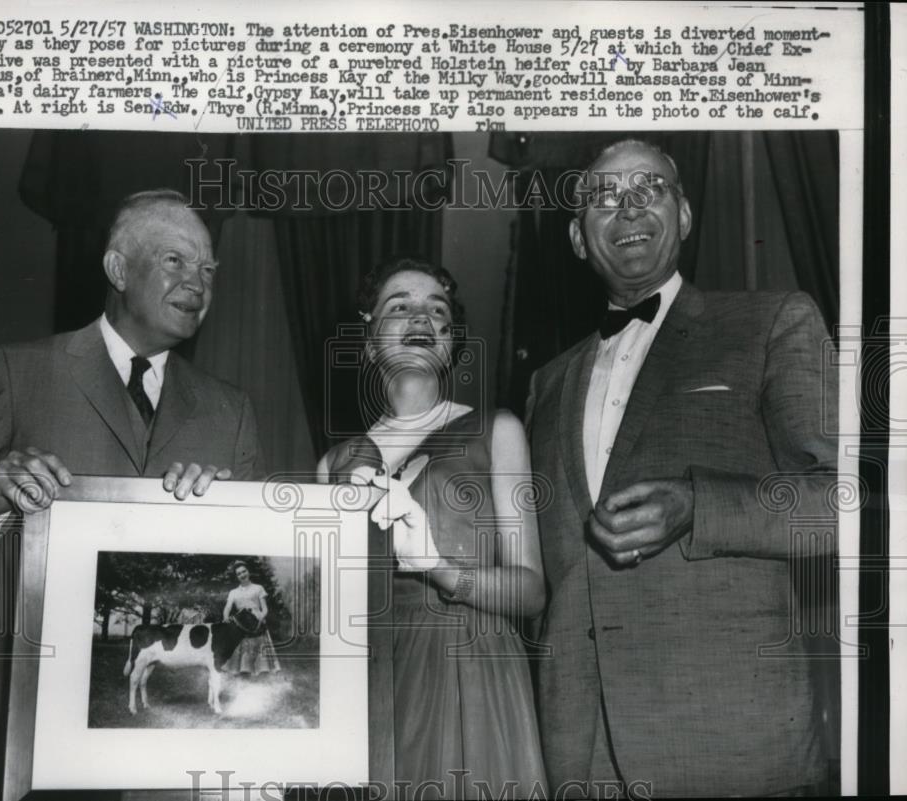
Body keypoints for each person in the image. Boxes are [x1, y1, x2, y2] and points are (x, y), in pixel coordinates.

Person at [525, 139, 837, 797]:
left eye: (651, 188)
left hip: (732, 741)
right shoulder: (543, 386)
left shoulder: (772, 321)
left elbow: (844, 506)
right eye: (604, 196)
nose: (629, 205)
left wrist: (698, 504)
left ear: (685, 215)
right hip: (582, 752)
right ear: (579, 238)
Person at [0, 188, 264, 800]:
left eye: (209, 269)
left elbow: (242, 564)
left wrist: (232, 520)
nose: (198, 282)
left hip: (176, 762)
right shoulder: (19, 371)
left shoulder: (232, 410)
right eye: (176, 260)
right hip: (32, 736)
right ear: (118, 269)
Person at [318, 257, 548, 800]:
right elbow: (329, 617)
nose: (420, 316)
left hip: (473, 673)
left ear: (450, 342)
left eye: (436, 309)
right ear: (370, 340)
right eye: (399, 306)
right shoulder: (332, 464)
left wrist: (442, 571)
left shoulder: (499, 430)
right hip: (375, 685)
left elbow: (533, 591)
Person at [223, 561, 281, 675]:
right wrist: (226, 617)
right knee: (242, 666)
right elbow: (227, 607)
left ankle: (263, 686)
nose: (242, 575)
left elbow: (265, 609)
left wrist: (260, 619)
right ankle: (243, 685)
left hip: (258, 626)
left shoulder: (258, 588)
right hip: (242, 627)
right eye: (239, 573)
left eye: (244, 571)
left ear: (248, 572)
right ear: (237, 576)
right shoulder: (233, 592)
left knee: (263, 665)